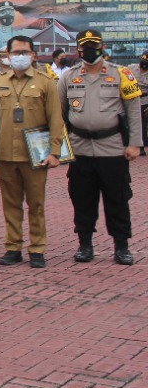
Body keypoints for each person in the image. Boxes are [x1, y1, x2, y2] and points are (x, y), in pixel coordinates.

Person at [59, 29, 143, 265]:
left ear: (102, 46)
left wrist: (135, 143)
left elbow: (133, 111)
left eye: (94, 45)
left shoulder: (122, 74)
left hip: (112, 148)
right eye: (85, 46)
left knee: (117, 199)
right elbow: (59, 113)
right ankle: (85, 245)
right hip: (80, 148)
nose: (89, 50)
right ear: (78, 50)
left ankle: (121, 246)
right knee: (82, 199)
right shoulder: (68, 77)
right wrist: (60, 148)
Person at [0, 35, 65, 268]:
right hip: (7, 154)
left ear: (33, 55)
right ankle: (13, 247)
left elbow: (56, 119)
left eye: (25, 52)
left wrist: (55, 151)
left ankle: (37, 248)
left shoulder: (45, 82)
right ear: (7, 56)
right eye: (15, 52)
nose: (20, 56)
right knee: (10, 204)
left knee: (36, 204)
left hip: (36, 155)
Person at [135, 50, 148, 157]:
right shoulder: (131, 68)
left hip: (145, 101)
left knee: (143, 124)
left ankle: (142, 146)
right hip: (133, 100)